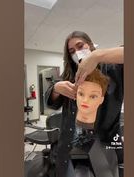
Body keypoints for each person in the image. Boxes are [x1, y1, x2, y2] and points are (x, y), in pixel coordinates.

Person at [45, 31, 124, 177]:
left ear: (91, 44)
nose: (77, 52)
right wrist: (56, 88)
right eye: (72, 51)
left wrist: (97, 56)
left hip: (104, 147)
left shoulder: (114, 70)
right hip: (70, 148)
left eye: (80, 46)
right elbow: (52, 103)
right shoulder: (70, 74)